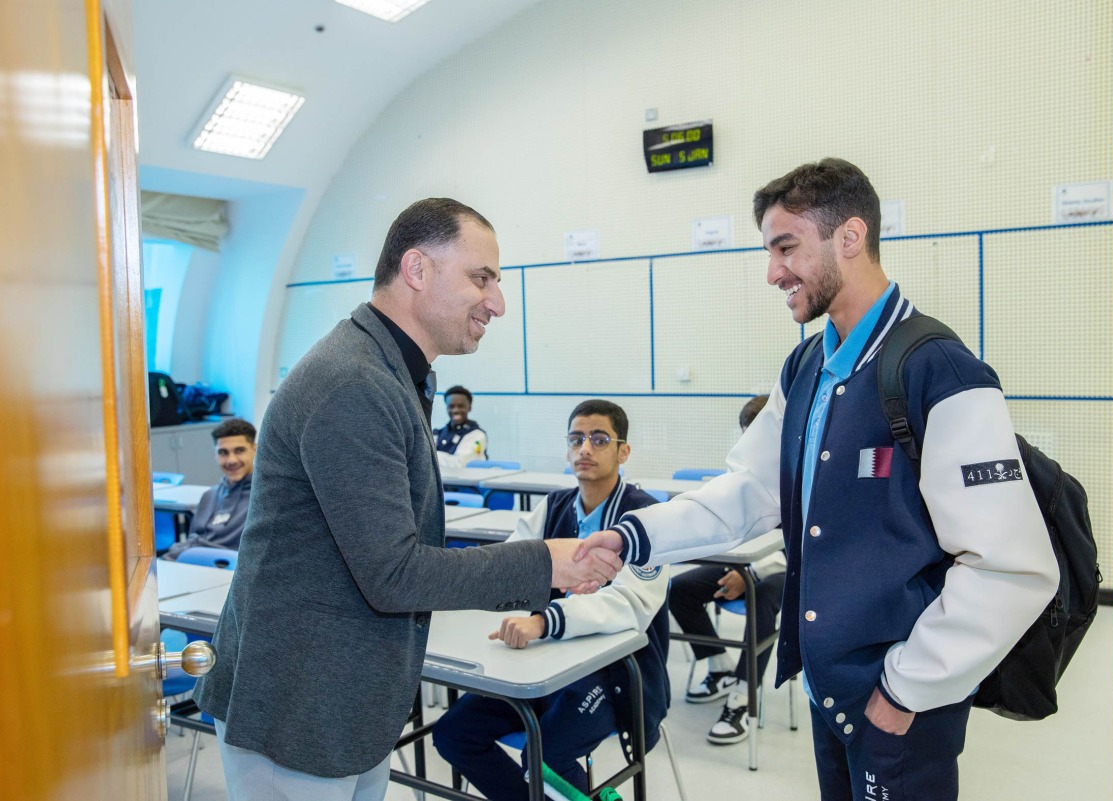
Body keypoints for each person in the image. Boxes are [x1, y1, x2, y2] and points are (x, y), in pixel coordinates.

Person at [578, 159, 1058, 800]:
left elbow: (1012, 566)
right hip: (831, 692)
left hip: (901, 704)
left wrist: (904, 690)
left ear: (850, 237)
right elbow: (749, 490)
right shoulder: (806, 364)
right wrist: (634, 535)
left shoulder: (938, 369)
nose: (773, 272)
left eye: (786, 248)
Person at [193, 198, 621, 801]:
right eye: (482, 278)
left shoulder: (390, 372)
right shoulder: (354, 383)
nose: (497, 303)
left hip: (344, 701)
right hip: (299, 710)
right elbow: (393, 572)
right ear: (416, 270)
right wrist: (545, 561)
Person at [433, 399, 669, 799]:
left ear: (623, 451)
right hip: (542, 663)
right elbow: (508, 566)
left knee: (545, 759)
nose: (585, 449)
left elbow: (630, 604)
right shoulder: (554, 506)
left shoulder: (647, 520)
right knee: (454, 734)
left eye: (599, 439)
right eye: (576, 439)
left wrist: (545, 621)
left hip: (613, 675)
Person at [669, 395, 787, 745]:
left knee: (761, 597)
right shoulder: (743, 476)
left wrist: (749, 573)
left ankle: (742, 693)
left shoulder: (804, 471)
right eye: (747, 436)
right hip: (742, 561)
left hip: (791, 570)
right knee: (680, 589)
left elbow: (802, 545)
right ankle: (718, 665)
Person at [163, 418, 257, 560]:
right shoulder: (210, 496)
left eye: (239, 451)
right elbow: (193, 541)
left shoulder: (263, 498)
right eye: (223, 453)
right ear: (215, 454)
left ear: (254, 450)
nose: (231, 460)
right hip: (197, 566)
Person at [433, 384, 488, 468]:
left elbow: (460, 463)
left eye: (461, 406)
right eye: (451, 406)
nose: (455, 410)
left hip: (466, 480)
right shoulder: (437, 433)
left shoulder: (477, 435)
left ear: (469, 407)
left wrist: (432, 455)